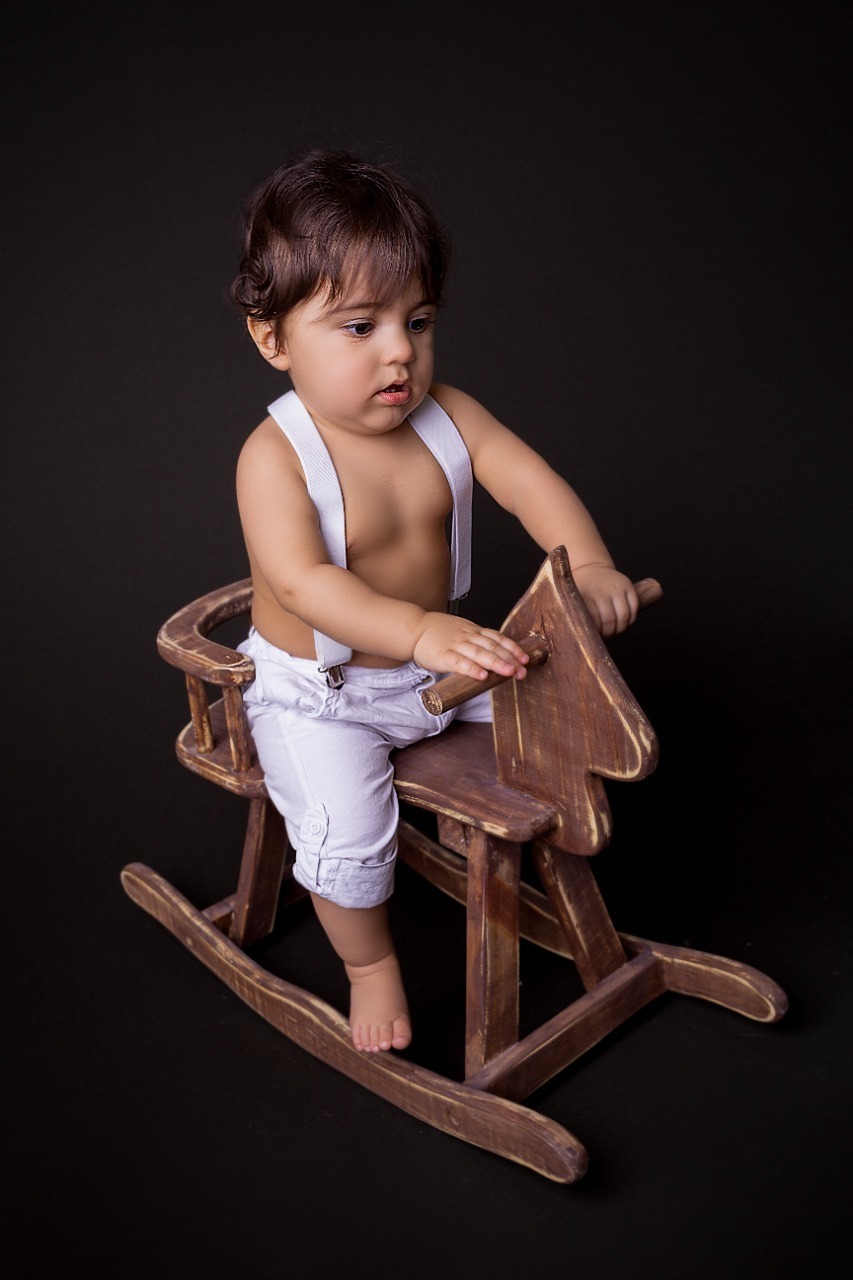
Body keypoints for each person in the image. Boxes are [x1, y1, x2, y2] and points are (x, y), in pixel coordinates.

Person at [231, 149, 651, 1056]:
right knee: (347, 840)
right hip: (323, 695)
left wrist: (590, 565)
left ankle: (540, 873)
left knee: (556, 708)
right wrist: (418, 629)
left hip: (438, 676)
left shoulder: (448, 414)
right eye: (359, 326)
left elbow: (528, 482)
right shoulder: (274, 458)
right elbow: (306, 583)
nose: (399, 351)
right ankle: (369, 963)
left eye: (417, 321)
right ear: (273, 340)